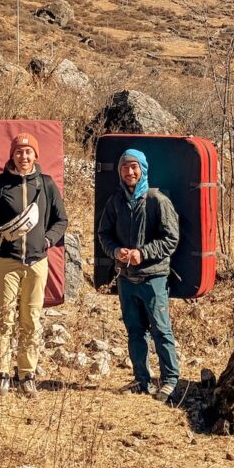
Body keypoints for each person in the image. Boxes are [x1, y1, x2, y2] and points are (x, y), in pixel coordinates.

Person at [0, 133, 68, 396]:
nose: (24, 156)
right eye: (19, 152)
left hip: (36, 263)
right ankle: (1, 373)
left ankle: (26, 374)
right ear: (12, 155)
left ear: (36, 156)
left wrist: (47, 241)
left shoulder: (46, 184)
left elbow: (61, 220)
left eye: (29, 152)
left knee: (31, 319)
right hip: (4, 262)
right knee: (4, 319)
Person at [97, 149, 180, 403]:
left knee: (161, 331)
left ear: (143, 169)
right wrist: (115, 251)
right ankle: (141, 380)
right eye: (125, 168)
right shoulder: (115, 202)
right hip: (126, 278)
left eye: (134, 167)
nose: (130, 172)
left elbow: (171, 239)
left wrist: (143, 253)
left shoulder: (157, 200)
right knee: (135, 331)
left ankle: (170, 380)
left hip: (153, 278)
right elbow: (104, 234)